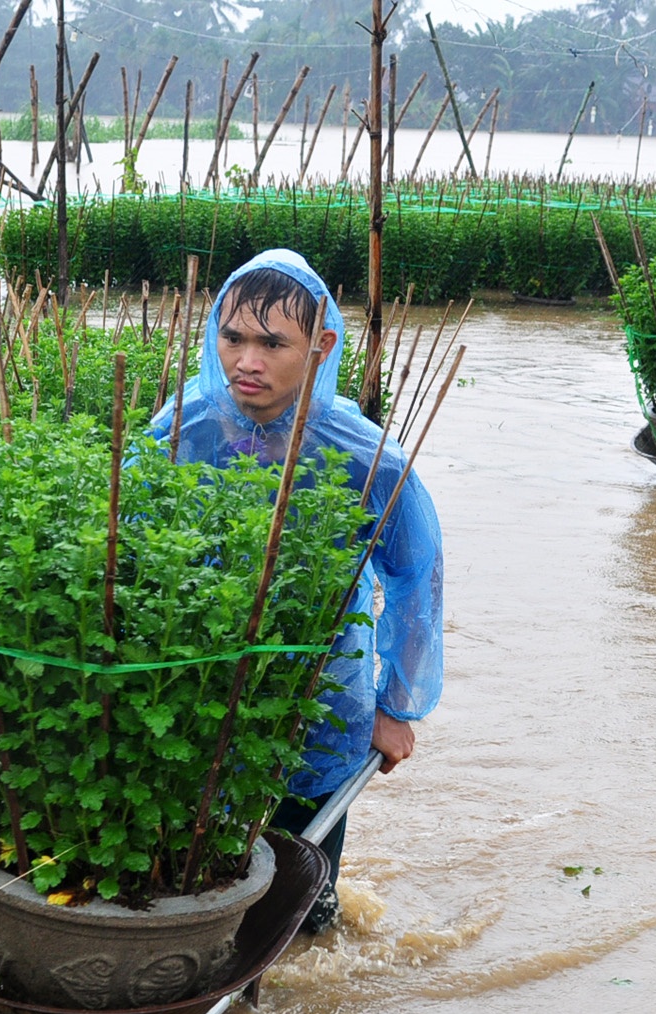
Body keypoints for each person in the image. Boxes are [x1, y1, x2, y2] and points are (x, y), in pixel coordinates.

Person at [147, 249, 444, 935]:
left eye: (271, 343)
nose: (246, 360)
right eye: (232, 337)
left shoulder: (366, 455)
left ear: (321, 347)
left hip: (321, 684)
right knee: (191, 869)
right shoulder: (180, 430)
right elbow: (130, 547)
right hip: (199, 679)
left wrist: (395, 706)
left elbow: (416, 581)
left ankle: (303, 945)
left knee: (305, 886)